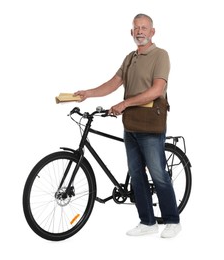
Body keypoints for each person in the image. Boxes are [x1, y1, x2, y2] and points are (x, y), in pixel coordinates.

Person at [74, 13, 181, 238]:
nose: (140, 31)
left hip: (150, 123)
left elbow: (157, 90)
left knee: (158, 173)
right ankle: (147, 222)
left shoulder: (161, 55)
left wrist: (125, 103)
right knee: (136, 174)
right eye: (136, 28)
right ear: (131, 32)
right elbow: (114, 82)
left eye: (144, 28)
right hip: (131, 123)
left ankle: (172, 220)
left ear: (152, 32)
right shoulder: (129, 58)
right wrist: (88, 93)